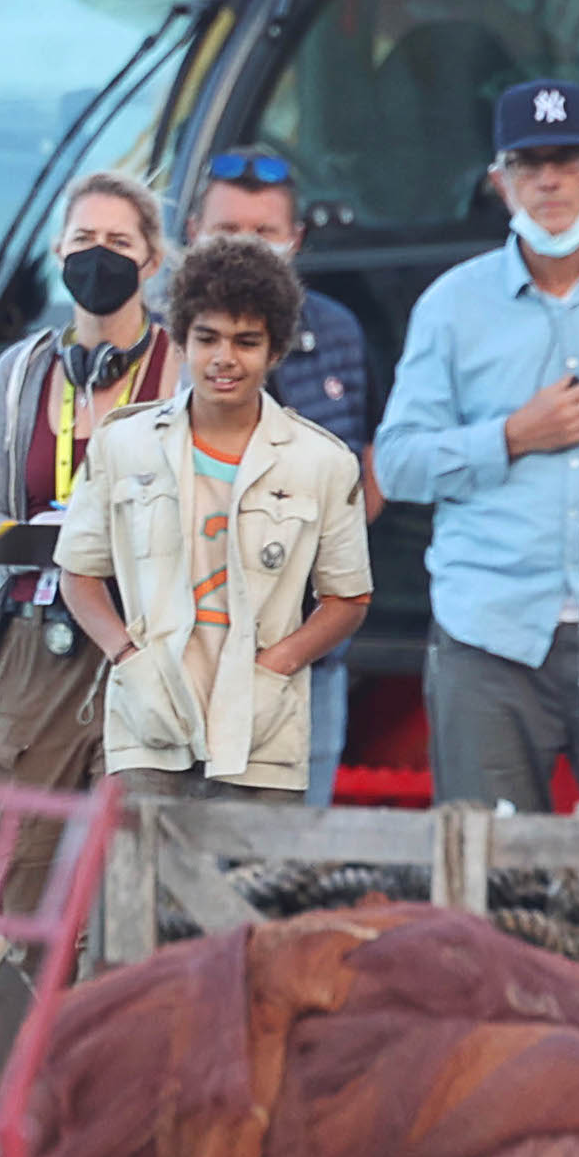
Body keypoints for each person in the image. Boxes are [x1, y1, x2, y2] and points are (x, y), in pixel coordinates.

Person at [372, 79, 579, 812]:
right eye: (529, 163)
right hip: (489, 631)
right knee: (484, 873)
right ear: (499, 180)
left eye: (567, 159)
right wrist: (511, 437)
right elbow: (398, 462)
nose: (549, 180)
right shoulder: (452, 303)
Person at [55, 236, 372, 800]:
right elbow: (78, 573)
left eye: (246, 342)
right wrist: (129, 658)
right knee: (140, 886)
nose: (225, 358)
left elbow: (348, 598)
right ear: (180, 341)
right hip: (149, 726)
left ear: (274, 352)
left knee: (257, 888)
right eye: (208, 339)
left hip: (263, 734)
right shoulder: (122, 443)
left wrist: (275, 667)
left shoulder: (322, 461)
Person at [0, 170, 177, 914]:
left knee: (124, 891)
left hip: (146, 644)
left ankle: (101, 1017)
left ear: (153, 259)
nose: (99, 256)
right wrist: (66, 543)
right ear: (56, 251)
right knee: (16, 892)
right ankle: (69, 1020)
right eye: (84, 240)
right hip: (37, 641)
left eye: (119, 241)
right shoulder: (21, 374)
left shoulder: (187, 373)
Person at [184, 146, 381, 805]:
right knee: (174, 865)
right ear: (192, 236)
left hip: (306, 660)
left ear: (294, 240)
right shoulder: (159, 337)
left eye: (264, 234)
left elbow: (368, 466)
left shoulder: (341, 333)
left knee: (288, 871)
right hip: (185, 659)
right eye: (226, 232)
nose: (245, 252)